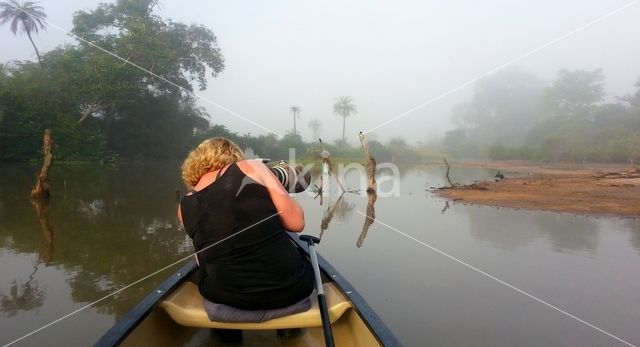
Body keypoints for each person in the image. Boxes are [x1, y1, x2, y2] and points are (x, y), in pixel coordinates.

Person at [178, 137, 315, 323]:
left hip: (226, 303)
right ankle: (289, 331)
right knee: (287, 234)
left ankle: (229, 338)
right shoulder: (251, 167)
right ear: (235, 156)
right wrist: (271, 182)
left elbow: (201, 259)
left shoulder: (183, 205)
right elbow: (296, 222)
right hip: (292, 292)